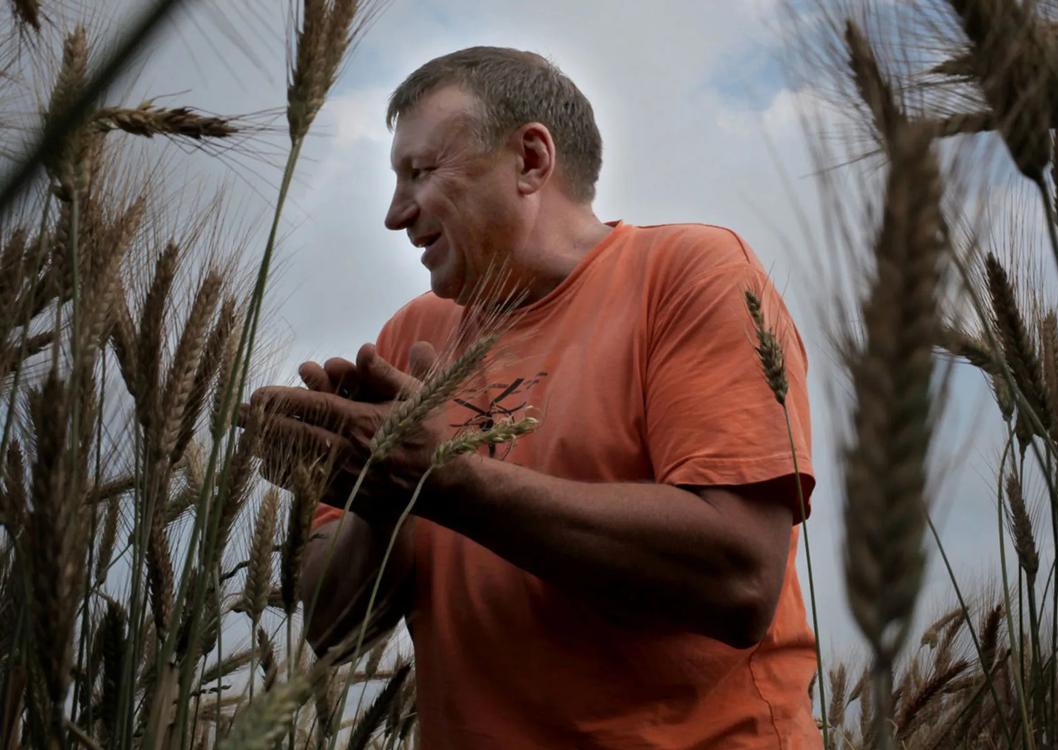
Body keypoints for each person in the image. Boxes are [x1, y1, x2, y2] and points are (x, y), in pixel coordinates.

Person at [245, 46, 819, 749]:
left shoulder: (686, 276)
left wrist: (447, 481)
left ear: (531, 160)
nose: (395, 215)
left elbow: (739, 578)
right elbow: (333, 629)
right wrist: (376, 499)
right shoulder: (412, 336)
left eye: (419, 172)